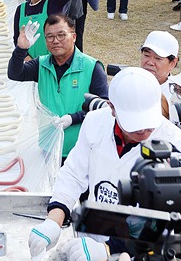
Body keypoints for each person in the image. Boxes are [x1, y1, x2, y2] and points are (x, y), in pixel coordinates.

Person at [28, 67, 181, 261]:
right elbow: (73, 174)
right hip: (91, 240)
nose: (145, 131)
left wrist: (112, 249)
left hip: (139, 255)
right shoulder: (96, 122)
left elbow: (167, 219)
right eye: (135, 125)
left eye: (149, 123)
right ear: (112, 108)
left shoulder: (174, 143)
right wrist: (54, 220)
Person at [8, 14, 109, 158]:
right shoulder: (41, 64)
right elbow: (15, 74)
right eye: (50, 37)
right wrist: (21, 49)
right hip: (49, 147)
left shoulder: (92, 67)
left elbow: (104, 108)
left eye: (61, 35)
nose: (55, 41)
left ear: (73, 37)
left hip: (81, 149)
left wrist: (74, 118)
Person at [12, 0, 92, 58]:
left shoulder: (53, 2)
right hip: (29, 64)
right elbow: (17, 37)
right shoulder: (21, 9)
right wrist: (26, 57)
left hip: (53, 61)